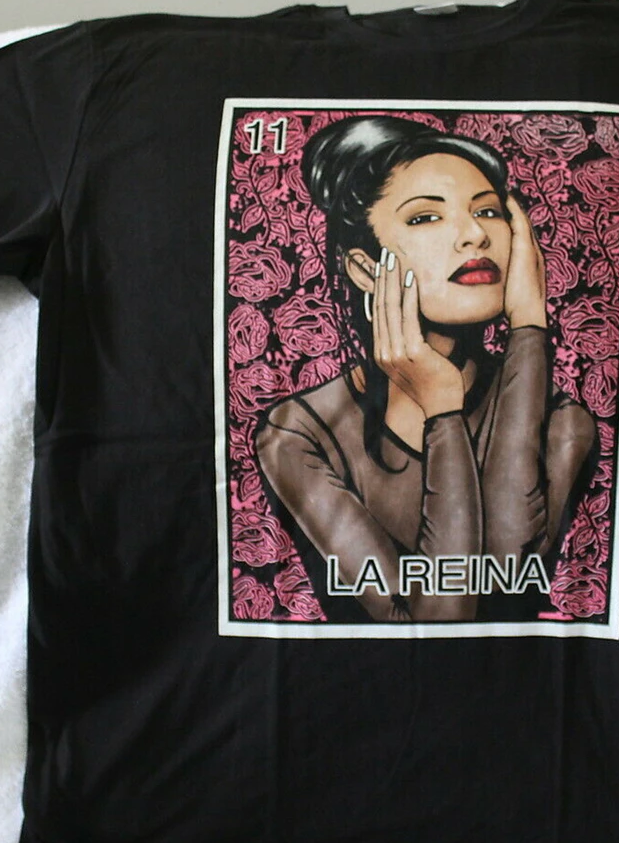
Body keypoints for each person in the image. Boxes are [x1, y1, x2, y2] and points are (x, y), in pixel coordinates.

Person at [255, 114, 596, 623]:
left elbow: (504, 581)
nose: (474, 236)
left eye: (488, 211)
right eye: (425, 218)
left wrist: (529, 324)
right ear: (365, 269)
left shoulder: (563, 425)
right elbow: (440, 615)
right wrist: (441, 409)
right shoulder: (298, 435)